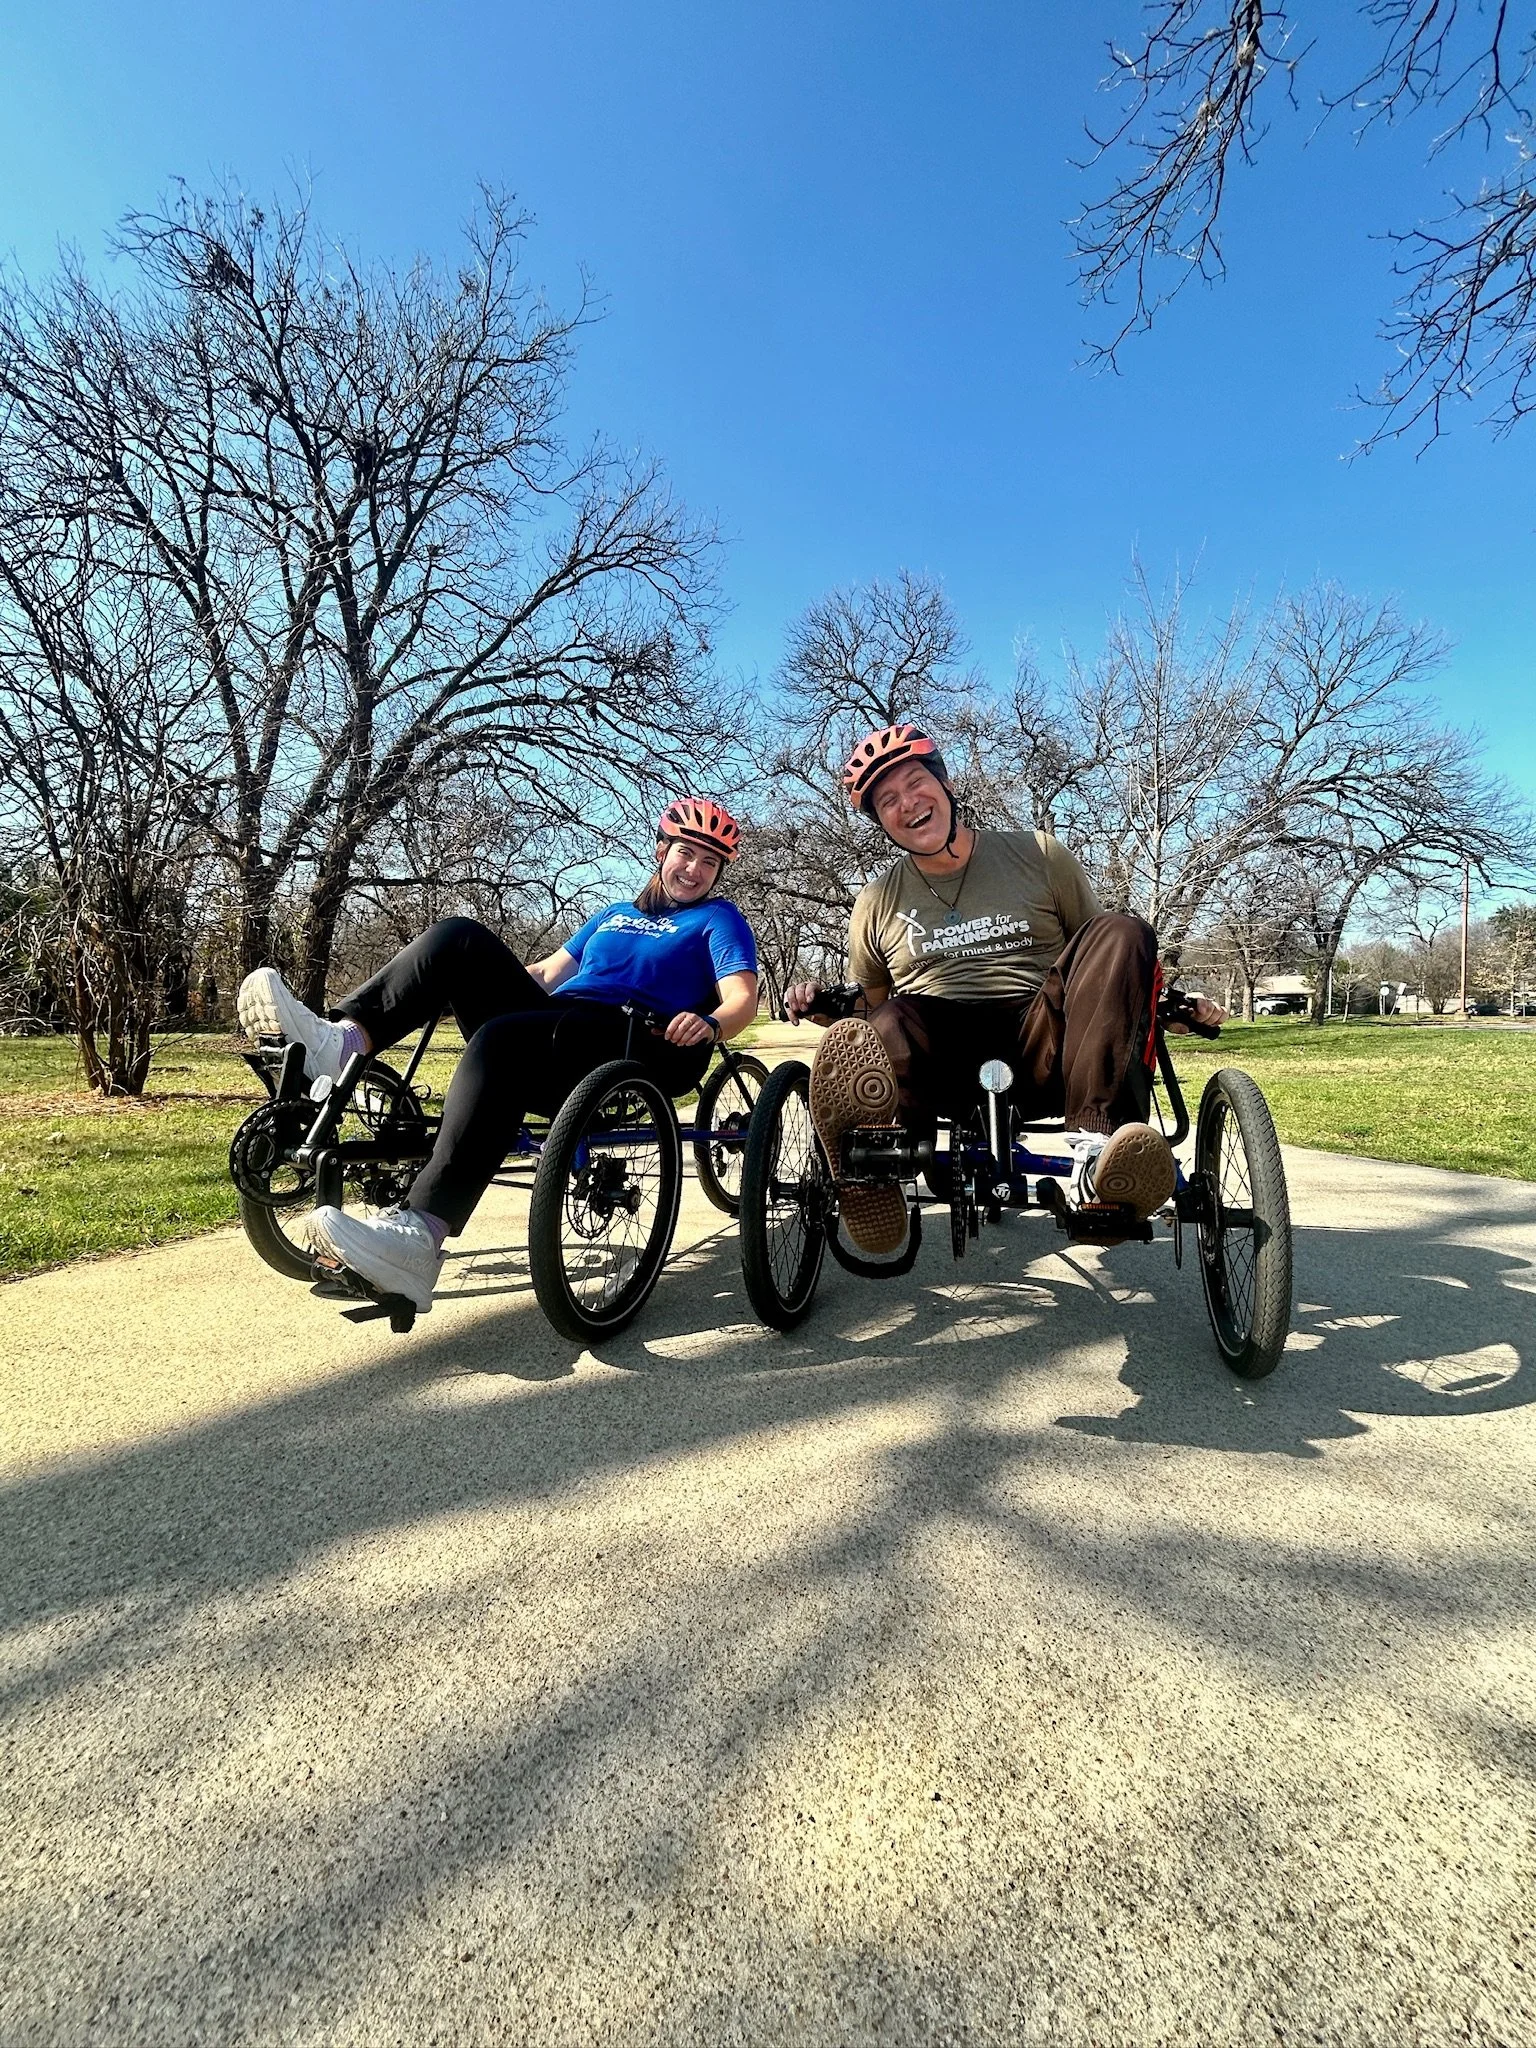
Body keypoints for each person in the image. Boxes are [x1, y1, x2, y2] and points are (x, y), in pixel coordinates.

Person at [237, 798, 758, 1312]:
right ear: (662, 850)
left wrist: (711, 1022)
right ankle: (343, 1044)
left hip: (633, 1038)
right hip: (560, 1025)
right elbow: (547, 974)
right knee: (458, 937)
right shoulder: (614, 914)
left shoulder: (718, 919)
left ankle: (421, 1234)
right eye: (685, 852)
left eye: (709, 861)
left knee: (503, 1039)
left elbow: (742, 999)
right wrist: (459, 982)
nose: (694, 869)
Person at [785, 725, 1224, 1254]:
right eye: (887, 800)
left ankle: (1100, 1152)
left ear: (945, 784)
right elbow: (876, 1009)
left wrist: (1165, 1007)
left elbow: (1104, 963)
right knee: (892, 1020)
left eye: (915, 783)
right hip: (943, 1057)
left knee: (1122, 929)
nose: (907, 804)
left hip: (1044, 1041)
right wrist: (820, 1006)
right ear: (880, 821)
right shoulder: (876, 902)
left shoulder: (1038, 855)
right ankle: (880, 1162)